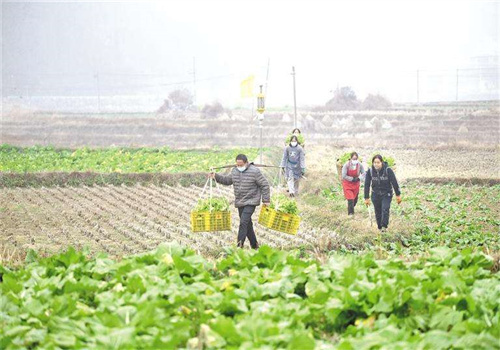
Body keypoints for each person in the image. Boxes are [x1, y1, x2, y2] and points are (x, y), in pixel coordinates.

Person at [210, 154, 270, 249]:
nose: (239, 167)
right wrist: (216, 176)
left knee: (243, 222)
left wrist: (266, 200)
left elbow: (265, 185)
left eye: (241, 165)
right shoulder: (234, 171)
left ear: (246, 163)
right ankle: (255, 246)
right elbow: (227, 180)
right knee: (247, 225)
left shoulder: (254, 171)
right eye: (237, 165)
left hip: (251, 201)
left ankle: (239, 246)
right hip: (240, 201)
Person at [364, 154, 402, 232]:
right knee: (378, 212)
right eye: (374, 162)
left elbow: (394, 182)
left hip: (386, 194)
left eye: (378, 162)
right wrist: (366, 198)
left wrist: (398, 195)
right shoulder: (370, 171)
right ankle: (379, 228)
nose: (376, 164)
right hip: (375, 194)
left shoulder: (388, 170)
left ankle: (384, 227)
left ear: (382, 163)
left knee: (385, 209)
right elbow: (367, 184)